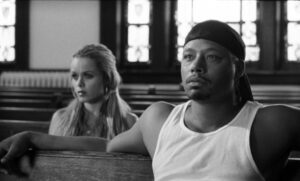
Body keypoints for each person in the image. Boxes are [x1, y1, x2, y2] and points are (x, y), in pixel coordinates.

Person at [1, 20, 300, 181]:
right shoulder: (159, 120)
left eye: (212, 57)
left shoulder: (269, 124)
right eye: (188, 57)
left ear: (238, 68)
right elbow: (107, 145)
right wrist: (33, 137)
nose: (196, 66)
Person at [48, 44, 137, 139]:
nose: (79, 83)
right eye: (75, 76)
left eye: (88, 75)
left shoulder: (129, 121)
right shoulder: (60, 119)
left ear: (107, 79)